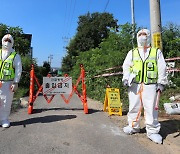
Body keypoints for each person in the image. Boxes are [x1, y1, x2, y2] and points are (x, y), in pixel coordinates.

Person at [122, 29, 167, 144]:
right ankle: (133, 126)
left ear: (148, 37)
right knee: (134, 106)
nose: (142, 37)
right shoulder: (132, 52)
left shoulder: (156, 52)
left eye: (145, 35)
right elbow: (126, 66)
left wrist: (161, 82)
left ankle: (152, 131)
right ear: (137, 37)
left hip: (150, 85)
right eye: (140, 35)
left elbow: (162, 67)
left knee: (151, 108)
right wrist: (126, 78)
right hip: (135, 84)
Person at [0, 34, 22, 128]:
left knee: (6, 101)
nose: (7, 42)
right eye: (5, 40)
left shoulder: (15, 56)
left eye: (9, 41)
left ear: (12, 43)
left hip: (8, 83)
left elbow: (18, 70)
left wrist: (16, 82)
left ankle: (4, 119)